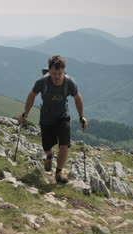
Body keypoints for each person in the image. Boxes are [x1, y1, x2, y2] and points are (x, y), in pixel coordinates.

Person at [20, 55, 88, 184]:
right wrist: (25, 113)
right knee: (47, 146)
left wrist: (81, 116)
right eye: (54, 73)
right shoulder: (42, 82)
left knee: (64, 145)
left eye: (60, 73)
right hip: (46, 117)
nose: (57, 76)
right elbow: (31, 96)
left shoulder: (69, 82)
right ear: (49, 70)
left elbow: (77, 98)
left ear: (64, 70)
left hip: (63, 116)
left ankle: (59, 172)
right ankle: (49, 155)